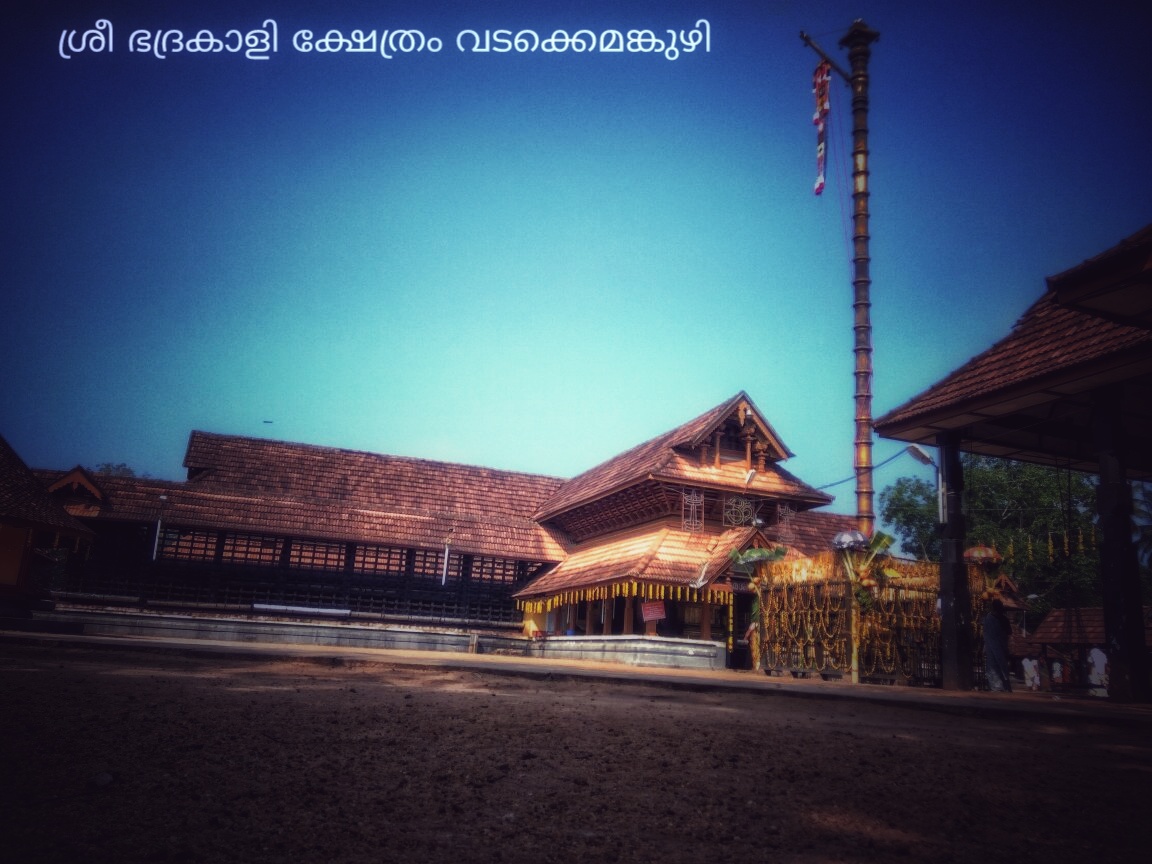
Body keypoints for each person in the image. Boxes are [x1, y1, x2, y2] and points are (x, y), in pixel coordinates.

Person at [982, 599, 1013, 692]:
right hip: (995, 647)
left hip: (998, 646)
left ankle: (999, 687)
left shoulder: (994, 619)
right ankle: (998, 687)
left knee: (999, 666)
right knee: (995, 666)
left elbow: (1008, 633)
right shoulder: (990, 618)